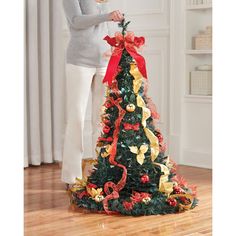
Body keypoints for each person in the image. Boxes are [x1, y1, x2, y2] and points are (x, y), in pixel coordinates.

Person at [61, 0, 124, 185]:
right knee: (76, 119)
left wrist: (113, 46)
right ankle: (71, 176)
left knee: (102, 119)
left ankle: (100, 173)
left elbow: (103, 28)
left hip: (104, 62)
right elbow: (76, 21)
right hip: (79, 62)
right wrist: (107, 15)